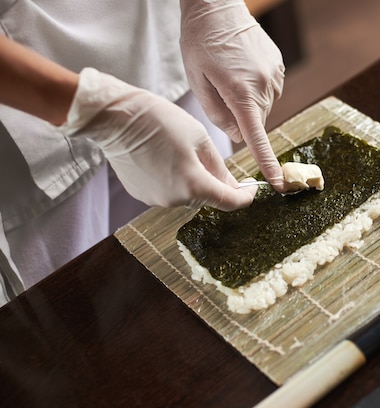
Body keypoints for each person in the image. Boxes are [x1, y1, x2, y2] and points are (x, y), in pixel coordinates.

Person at [0, 0, 287, 305]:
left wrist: (212, 4)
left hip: (160, 44)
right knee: (88, 307)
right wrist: (94, 111)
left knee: (222, 263)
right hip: (28, 120)